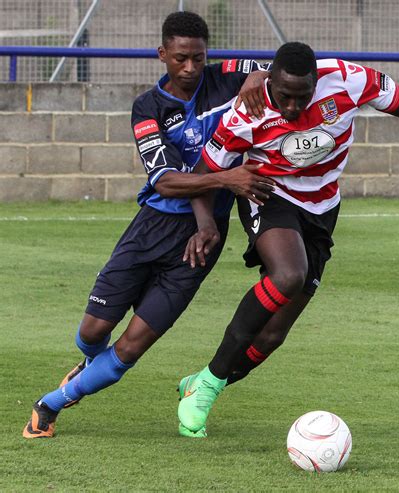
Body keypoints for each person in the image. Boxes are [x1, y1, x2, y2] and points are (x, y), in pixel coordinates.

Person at [22, 11, 275, 440]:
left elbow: (281, 67)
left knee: (132, 345)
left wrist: (260, 76)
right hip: (152, 227)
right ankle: (88, 363)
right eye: (180, 59)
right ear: (163, 55)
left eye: (198, 58)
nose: (191, 68)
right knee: (93, 331)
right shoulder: (147, 107)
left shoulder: (227, 75)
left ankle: (50, 404)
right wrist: (228, 180)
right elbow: (166, 180)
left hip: (202, 241)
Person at [177, 42, 399, 434]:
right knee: (289, 275)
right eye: (284, 96)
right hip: (269, 196)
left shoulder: (348, 80)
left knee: (273, 334)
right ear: (269, 80)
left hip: (323, 207)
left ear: (316, 81)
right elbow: (205, 173)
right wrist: (205, 223)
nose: (291, 107)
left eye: (300, 97)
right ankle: (208, 388)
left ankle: (203, 382)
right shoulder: (247, 112)